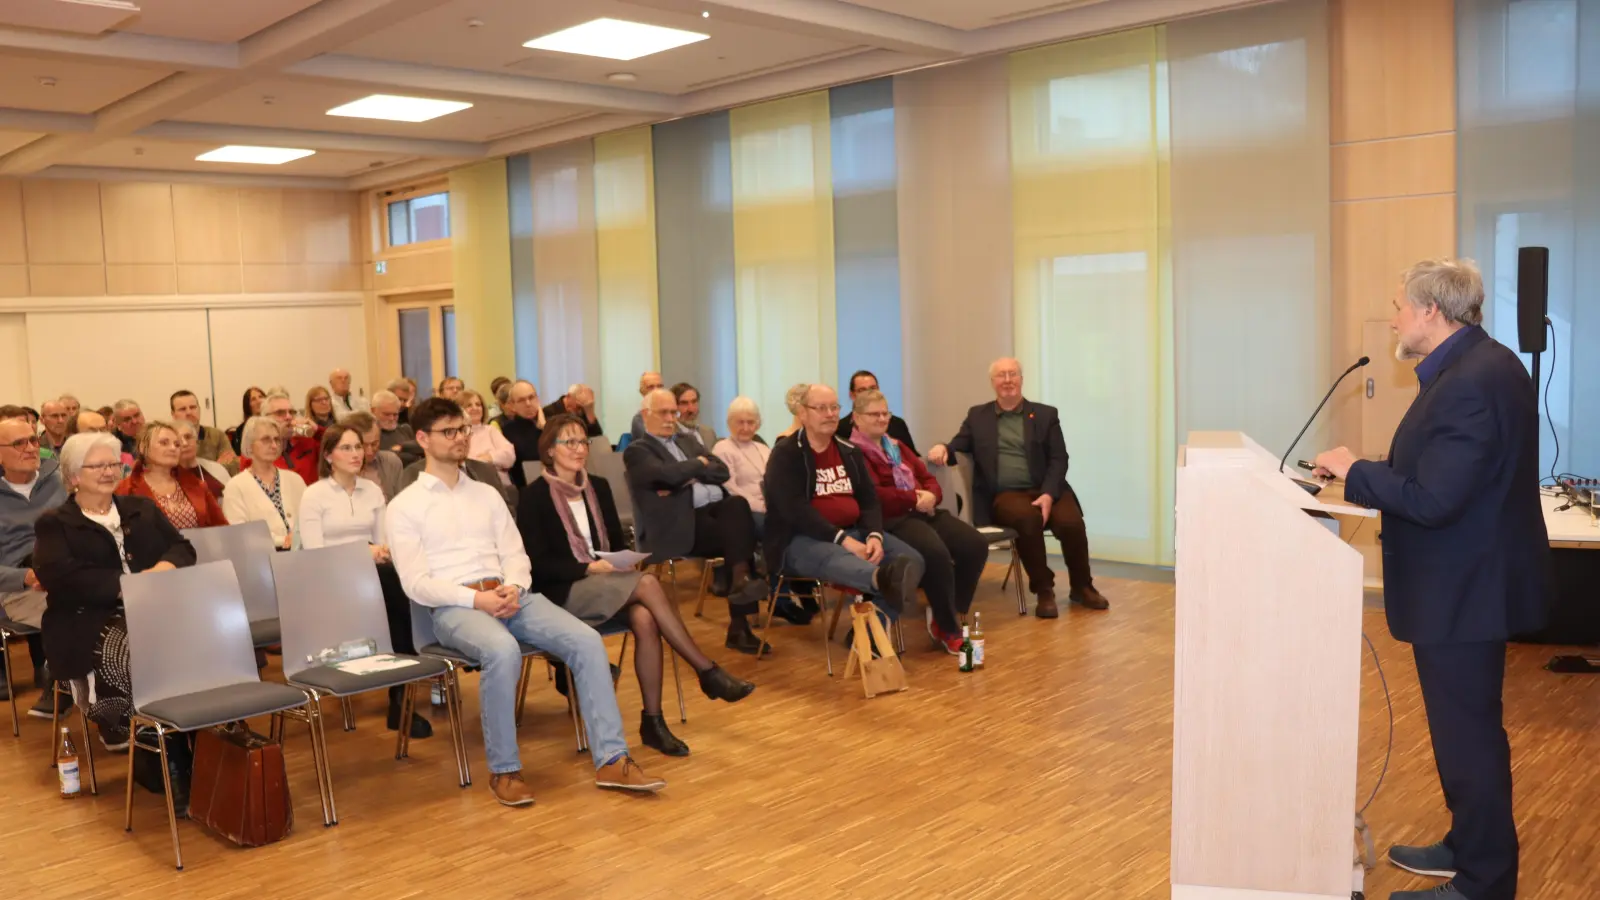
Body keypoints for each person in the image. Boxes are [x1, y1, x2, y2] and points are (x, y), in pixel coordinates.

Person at [1312, 259, 1551, 900]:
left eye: (1398, 306)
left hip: (1464, 590)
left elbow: (1436, 498)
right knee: (1462, 731)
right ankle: (1467, 846)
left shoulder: (1471, 380)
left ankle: (1483, 881)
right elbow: (1441, 469)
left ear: (1429, 313)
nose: (1393, 318)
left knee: (1468, 736)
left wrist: (1357, 469)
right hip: (1464, 584)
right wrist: (1366, 471)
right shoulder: (1472, 367)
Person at [387, 397, 665, 806]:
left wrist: (514, 586)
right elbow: (416, 583)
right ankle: (505, 771)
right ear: (424, 439)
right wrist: (476, 599)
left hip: (510, 594)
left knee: (587, 641)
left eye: (463, 429)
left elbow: (515, 554)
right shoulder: (405, 506)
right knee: (502, 650)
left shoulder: (485, 493)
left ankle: (612, 758)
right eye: (449, 432)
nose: (460, 438)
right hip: (455, 607)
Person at [519, 415, 755, 756]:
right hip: (563, 591)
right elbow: (538, 565)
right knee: (647, 583)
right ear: (549, 451)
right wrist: (589, 567)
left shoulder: (597, 487)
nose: (579, 449)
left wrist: (618, 561)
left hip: (606, 584)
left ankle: (653, 722)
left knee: (645, 617)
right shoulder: (534, 497)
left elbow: (614, 542)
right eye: (569, 442)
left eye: (583, 441)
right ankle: (706, 670)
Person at [33, 432, 197, 753]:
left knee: (201, 634)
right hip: (85, 619)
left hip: (152, 607)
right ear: (74, 476)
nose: (110, 471)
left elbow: (183, 548)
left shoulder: (141, 509)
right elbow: (60, 576)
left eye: (113, 464)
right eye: (98, 466)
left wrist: (161, 571)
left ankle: (188, 723)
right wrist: (125, 587)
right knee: (130, 645)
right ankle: (132, 725)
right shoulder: (56, 523)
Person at [927, 358, 1108, 617]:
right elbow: (959, 443)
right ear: (993, 383)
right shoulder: (978, 416)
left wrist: (1047, 494)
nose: (1008, 380)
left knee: (1071, 523)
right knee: (1026, 520)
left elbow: (1059, 459)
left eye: (1013, 374)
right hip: (1007, 495)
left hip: (1048, 488)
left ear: (1022, 379)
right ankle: (1044, 590)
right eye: (1001, 375)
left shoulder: (1045, 415)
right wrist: (943, 447)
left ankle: (1082, 586)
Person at [298, 424, 430, 738]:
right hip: (330, 577)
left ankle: (401, 697)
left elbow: (383, 539)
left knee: (399, 583)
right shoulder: (314, 494)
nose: (357, 453)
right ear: (328, 454)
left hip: (373, 574)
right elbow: (315, 553)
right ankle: (401, 697)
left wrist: (380, 552)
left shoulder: (371, 490)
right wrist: (363, 553)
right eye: (346, 448)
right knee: (396, 594)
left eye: (358, 447)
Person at [761, 385, 924, 632]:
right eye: (821, 408)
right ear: (803, 414)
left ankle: (869, 634)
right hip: (799, 540)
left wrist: (874, 536)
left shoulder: (849, 451)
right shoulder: (786, 453)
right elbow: (794, 510)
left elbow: (869, 500)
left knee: (913, 560)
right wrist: (843, 540)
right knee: (841, 559)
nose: (830, 414)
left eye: (834, 407)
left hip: (854, 532)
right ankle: (881, 579)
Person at [626, 389, 770, 654]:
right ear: (646, 415)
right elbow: (666, 475)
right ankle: (740, 615)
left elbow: (721, 470)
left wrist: (689, 472)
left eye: (674, 412)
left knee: (737, 507)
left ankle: (740, 579)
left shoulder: (687, 441)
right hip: (678, 525)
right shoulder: (638, 450)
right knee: (739, 532)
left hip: (713, 515)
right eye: (664, 412)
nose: (671, 418)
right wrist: (699, 466)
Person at [851, 389, 988, 655]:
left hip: (922, 510)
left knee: (975, 544)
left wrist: (931, 495)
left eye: (885, 413)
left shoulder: (896, 445)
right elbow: (876, 495)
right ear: (857, 418)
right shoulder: (854, 453)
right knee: (936, 553)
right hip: (892, 519)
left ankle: (945, 612)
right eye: (874, 414)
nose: (882, 418)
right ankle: (949, 629)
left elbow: (928, 478)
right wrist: (913, 498)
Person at [0, 416, 67, 707]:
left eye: (33, 440)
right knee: (71, 608)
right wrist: (25, 577)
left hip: (67, 571)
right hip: (19, 587)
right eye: (19, 443)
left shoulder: (58, 480)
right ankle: (64, 683)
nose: (30, 449)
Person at [115, 421, 228, 529]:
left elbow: (221, 527)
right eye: (164, 443)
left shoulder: (197, 485)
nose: (173, 448)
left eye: (177, 444)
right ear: (143, 447)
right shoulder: (125, 489)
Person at [223, 417, 307, 550]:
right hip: (261, 556)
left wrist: (298, 537)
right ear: (250, 445)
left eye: (276, 440)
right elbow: (240, 533)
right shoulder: (236, 486)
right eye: (266, 440)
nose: (274, 445)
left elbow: (309, 518)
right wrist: (283, 540)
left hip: (301, 552)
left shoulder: (295, 480)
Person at [712, 397, 770, 522]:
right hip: (747, 512)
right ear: (729, 423)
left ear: (757, 424)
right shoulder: (722, 448)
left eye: (750, 422)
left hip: (771, 507)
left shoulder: (763, 448)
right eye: (740, 422)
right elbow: (731, 489)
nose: (745, 428)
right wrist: (762, 507)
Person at [837, 370, 917, 455]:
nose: (869, 394)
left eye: (872, 388)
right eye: (862, 390)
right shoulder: (840, 429)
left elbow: (913, 459)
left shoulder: (897, 424)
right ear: (852, 395)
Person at [169, 390, 239, 474]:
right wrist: (216, 467)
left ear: (199, 409)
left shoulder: (217, 435)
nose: (189, 412)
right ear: (173, 414)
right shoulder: (169, 439)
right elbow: (172, 472)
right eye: (182, 409)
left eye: (193, 407)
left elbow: (233, 467)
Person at [343, 411, 404, 501]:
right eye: (362, 445)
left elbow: (401, 502)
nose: (369, 451)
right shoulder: (337, 469)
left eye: (375, 443)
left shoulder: (391, 462)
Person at [460, 389, 515, 486]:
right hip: (469, 486)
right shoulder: (459, 434)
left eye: (478, 404)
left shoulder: (490, 430)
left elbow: (509, 455)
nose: (475, 408)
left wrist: (489, 457)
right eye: (469, 405)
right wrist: (492, 462)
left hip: (500, 486)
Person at [498, 380, 545, 489]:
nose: (528, 403)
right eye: (521, 400)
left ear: (538, 399)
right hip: (527, 487)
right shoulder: (508, 429)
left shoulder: (551, 423)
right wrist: (541, 431)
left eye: (531, 397)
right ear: (512, 406)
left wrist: (545, 428)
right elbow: (532, 458)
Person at [171, 420, 228, 501]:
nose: (185, 443)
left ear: (196, 441)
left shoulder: (217, 469)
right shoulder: (168, 476)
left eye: (188, 437)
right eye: (178, 440)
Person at [372, 390, 422, 466]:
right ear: (373, 411)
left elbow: (423, 446)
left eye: (395, 414)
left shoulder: (405, 429)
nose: (392, 418)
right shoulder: (370, 435)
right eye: (387, 414)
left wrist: (401, 447)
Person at [671, 383, 716, 449]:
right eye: (684, 403)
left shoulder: (708, 433)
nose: (691, 409)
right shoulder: (670, 436)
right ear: (673, 406)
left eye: (694, 402)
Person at [227, 386, 266, 456]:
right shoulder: (241, 431)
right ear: (247, 406)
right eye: (253, 399)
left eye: (261, 397)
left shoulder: (275, 424)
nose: (259, 401)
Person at [628, 371, 666, 439]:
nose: (656, 390)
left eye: (660, 386)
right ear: (642, 392)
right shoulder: (640, 420)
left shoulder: (672, 414)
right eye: (651, 387)